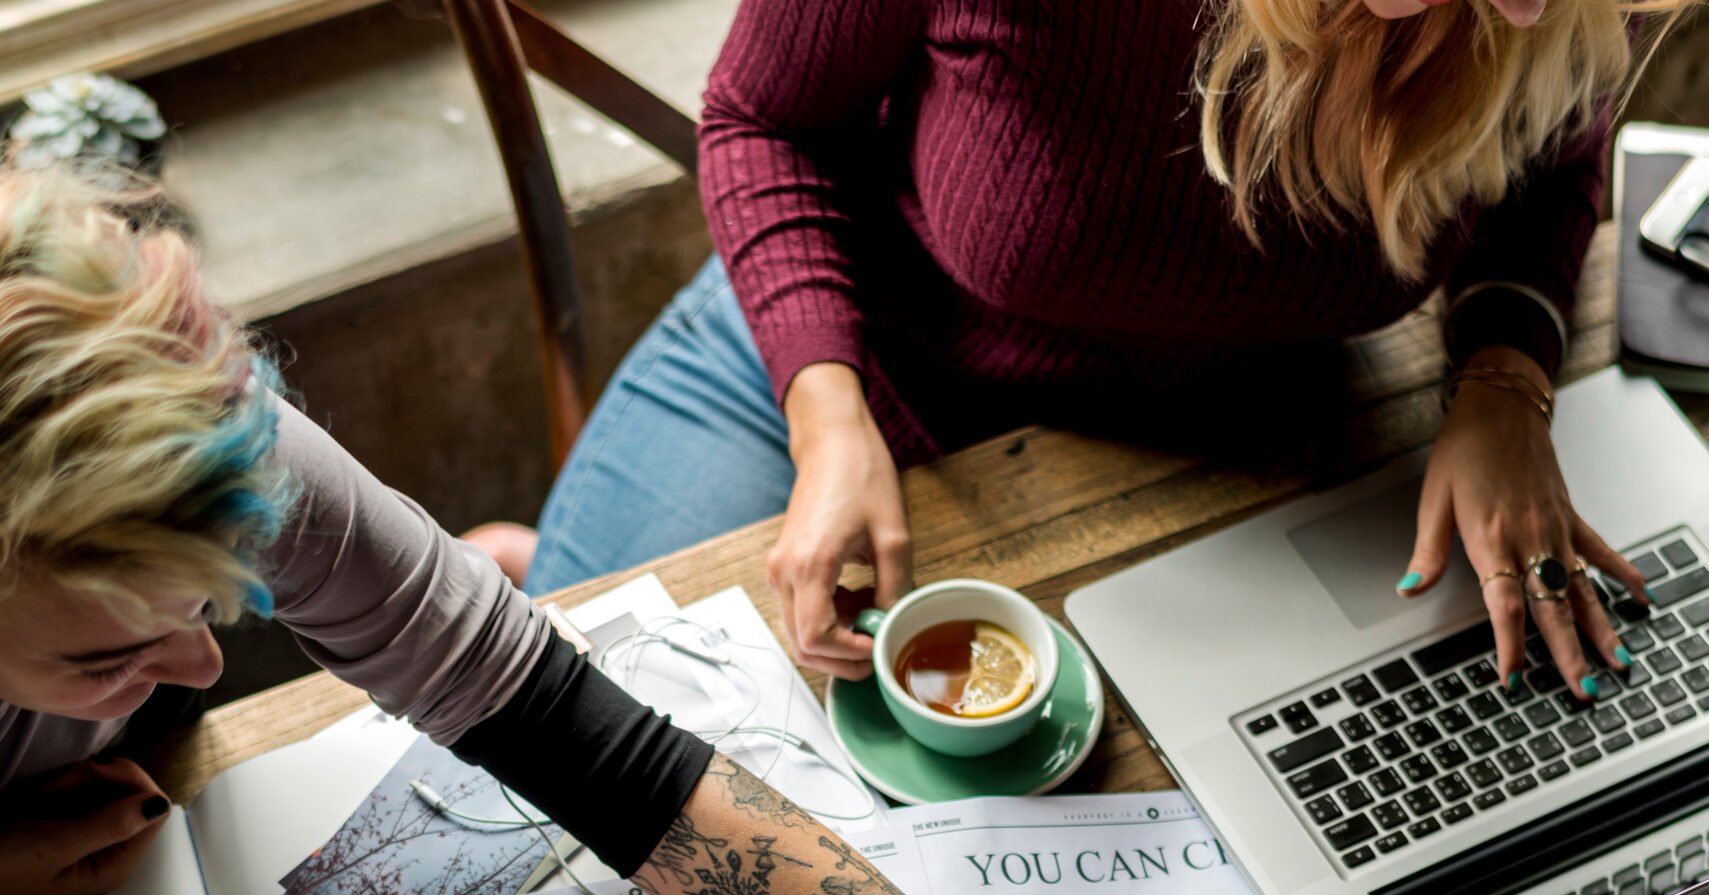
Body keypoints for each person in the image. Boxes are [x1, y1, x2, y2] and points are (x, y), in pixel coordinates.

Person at [0, 162, 1311, 895]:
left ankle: (479, 570)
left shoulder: (213, 444)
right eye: (107, 654)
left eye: (220, 596)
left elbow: (630, 776)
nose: (206, 671)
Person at [524, 0, 1665, 703]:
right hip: (835, 362)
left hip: (1246, 450)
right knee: (555, 726)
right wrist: (825, 422)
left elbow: (1543, 165)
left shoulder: (1543, 12)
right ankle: (520, 561)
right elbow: (762, 120)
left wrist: (1505, 381)